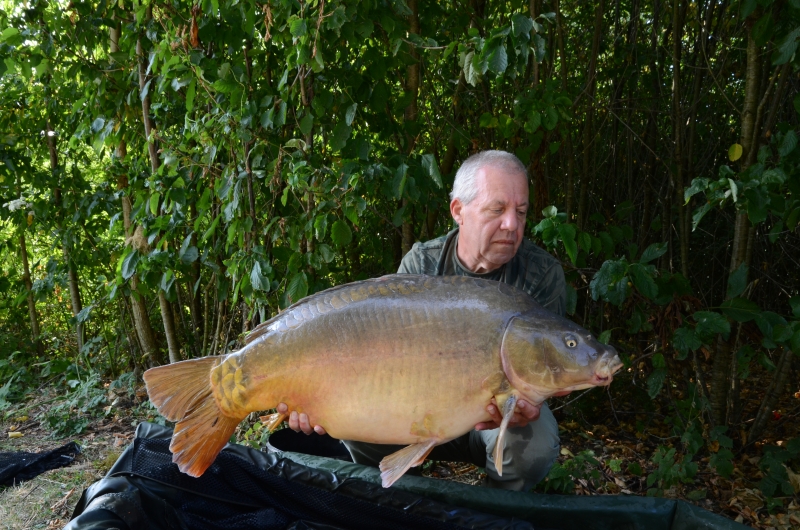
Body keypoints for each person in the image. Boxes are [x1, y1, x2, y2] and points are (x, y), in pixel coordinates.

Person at [278, 150, 567, 491]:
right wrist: (314, 401)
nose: (512, 225)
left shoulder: (542, 276)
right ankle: (404, 500)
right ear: (459, 211)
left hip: (488, 424)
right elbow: (383, 365)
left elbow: (544, 374)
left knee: (535, 443)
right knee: (353, 419)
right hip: (414, 415)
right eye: (497, 209)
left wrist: (527, 404)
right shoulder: (421, 265)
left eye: (520, 212)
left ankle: (493, 508)